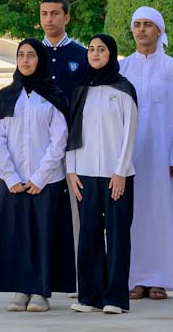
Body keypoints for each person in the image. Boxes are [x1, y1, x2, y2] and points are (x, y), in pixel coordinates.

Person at [0, 38, 75, 312]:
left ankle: (40, 292)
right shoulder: (6, 97)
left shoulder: (53, 96)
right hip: (13, 182)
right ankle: (20, 289)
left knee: (43, 234)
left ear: (41, 60)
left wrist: (39, 177)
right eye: (21, 55)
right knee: (17, 234)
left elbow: (59, 141)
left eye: (31, 55)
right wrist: (11, 176)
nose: (24, 60)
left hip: (45, 181)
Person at [65, 33, 139, 315]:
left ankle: (116, 298)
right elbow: (72, 133)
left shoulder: (123, 89)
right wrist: (71, 171)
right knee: (89, 236)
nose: (95, 54)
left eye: (102, 49)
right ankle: (89, 296)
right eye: (92, 49)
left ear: (111, 54)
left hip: (116, 176)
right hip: (84, 174)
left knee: (118, 236)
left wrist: (120, 172)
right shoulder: (80, 88)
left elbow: (130, 134)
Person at [123, 6, 173, 301]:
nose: (141, 30)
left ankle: (160, 279)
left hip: (163, 156)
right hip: (131, 156)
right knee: (132, 216)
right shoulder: (122, 68)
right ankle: (135, 279)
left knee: (162, 215)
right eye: (137, 24)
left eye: (148, 24)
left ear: (159, 31)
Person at [36, 0, 90, 104]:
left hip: (72, 120)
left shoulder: (83, 55)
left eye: (55, 13)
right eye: (44, 14)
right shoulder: (32, 54)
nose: (49, 19)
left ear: (66, 18)